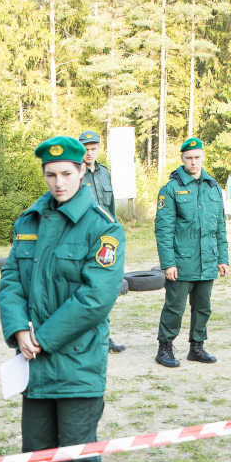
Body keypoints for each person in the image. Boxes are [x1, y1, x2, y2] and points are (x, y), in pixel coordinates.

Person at [0, 136, 125, 462]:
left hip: (77, 360)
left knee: (76, 447)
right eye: (50, 175)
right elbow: (11, 282)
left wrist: (43, 337)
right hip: (32, 360)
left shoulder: (102, 226)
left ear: (82, 171)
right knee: (37, 443)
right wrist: (17, 330)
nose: (58, 183)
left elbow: (95, 298)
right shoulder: (28, 221)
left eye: (66, 173)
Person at [154, 137, 229, 367]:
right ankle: (164, 348)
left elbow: (220, 226)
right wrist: (168, 263)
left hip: (208, 260)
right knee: (175, 307)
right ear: (182, 159)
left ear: (203, 157)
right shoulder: (171, 189)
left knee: (203, 307)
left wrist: (222, 258)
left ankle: (197, 347)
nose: (193, 162)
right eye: (189, 158)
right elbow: (163, 230)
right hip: (181, 261)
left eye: (197, 157)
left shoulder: (213, 187)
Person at [78, 129, 126, 355]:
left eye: (93, 148)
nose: (89, 152)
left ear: (99, 148)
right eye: (86, 149)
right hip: (82, 240)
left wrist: (115, 235)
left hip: (105, 241)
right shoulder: (73, 173)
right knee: (83, 288)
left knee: (103, 287)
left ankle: (104, 337)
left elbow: (111, 208)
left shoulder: (104, 173)